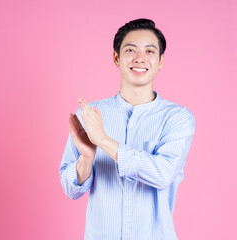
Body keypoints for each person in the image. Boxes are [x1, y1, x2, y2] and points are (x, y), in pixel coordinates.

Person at [59, 18, 195, 240]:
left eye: (150, 51)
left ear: (160, 61)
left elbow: (162, 174)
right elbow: (71, 189)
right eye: (131, 50)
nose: (140, 58)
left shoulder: (178, 118)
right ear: (116, 57)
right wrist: (86, 158)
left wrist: (103, 141)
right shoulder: (91, 114)